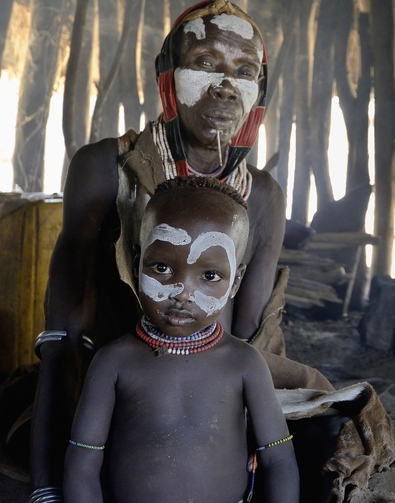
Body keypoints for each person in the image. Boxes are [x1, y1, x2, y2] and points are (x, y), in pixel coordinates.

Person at [31, 0, 330, 500]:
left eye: (244, 70)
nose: (224, 85)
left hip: (218, 393)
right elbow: (62, 337)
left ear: (260, 90)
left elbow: (255, 339)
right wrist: (46, 484)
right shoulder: (106, 168)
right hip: (107, 390)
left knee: (343, 439)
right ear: (166, 73)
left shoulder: (263, 197)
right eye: (206, 63)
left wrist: (236, 445)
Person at [63, 175, 298, 503]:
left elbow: (279, 459)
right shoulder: (113, 362)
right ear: (135, 261)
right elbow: (82, 466)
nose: (183, 292)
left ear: (235, 282)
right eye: (161, 267)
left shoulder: (244, 364)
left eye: (210, 276)